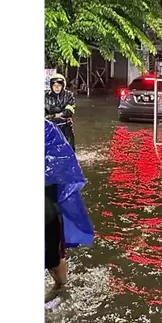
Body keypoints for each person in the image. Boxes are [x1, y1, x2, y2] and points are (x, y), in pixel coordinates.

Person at [44, 119, 94, 293]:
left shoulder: (48, 129)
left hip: (47, 207)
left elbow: (60, 163)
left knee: (53, 258)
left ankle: (62, 288)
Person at [44, 73, 76, 151]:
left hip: (66, 127)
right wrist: (53, 116)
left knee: (69, 149)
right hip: (50, 128)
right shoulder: (45, 96)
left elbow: (70, 110)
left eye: (59, 85)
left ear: (63, 85)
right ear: (51, 86)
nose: (57, 87)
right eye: (54, 85)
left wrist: (61, 114)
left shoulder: (69, 95)